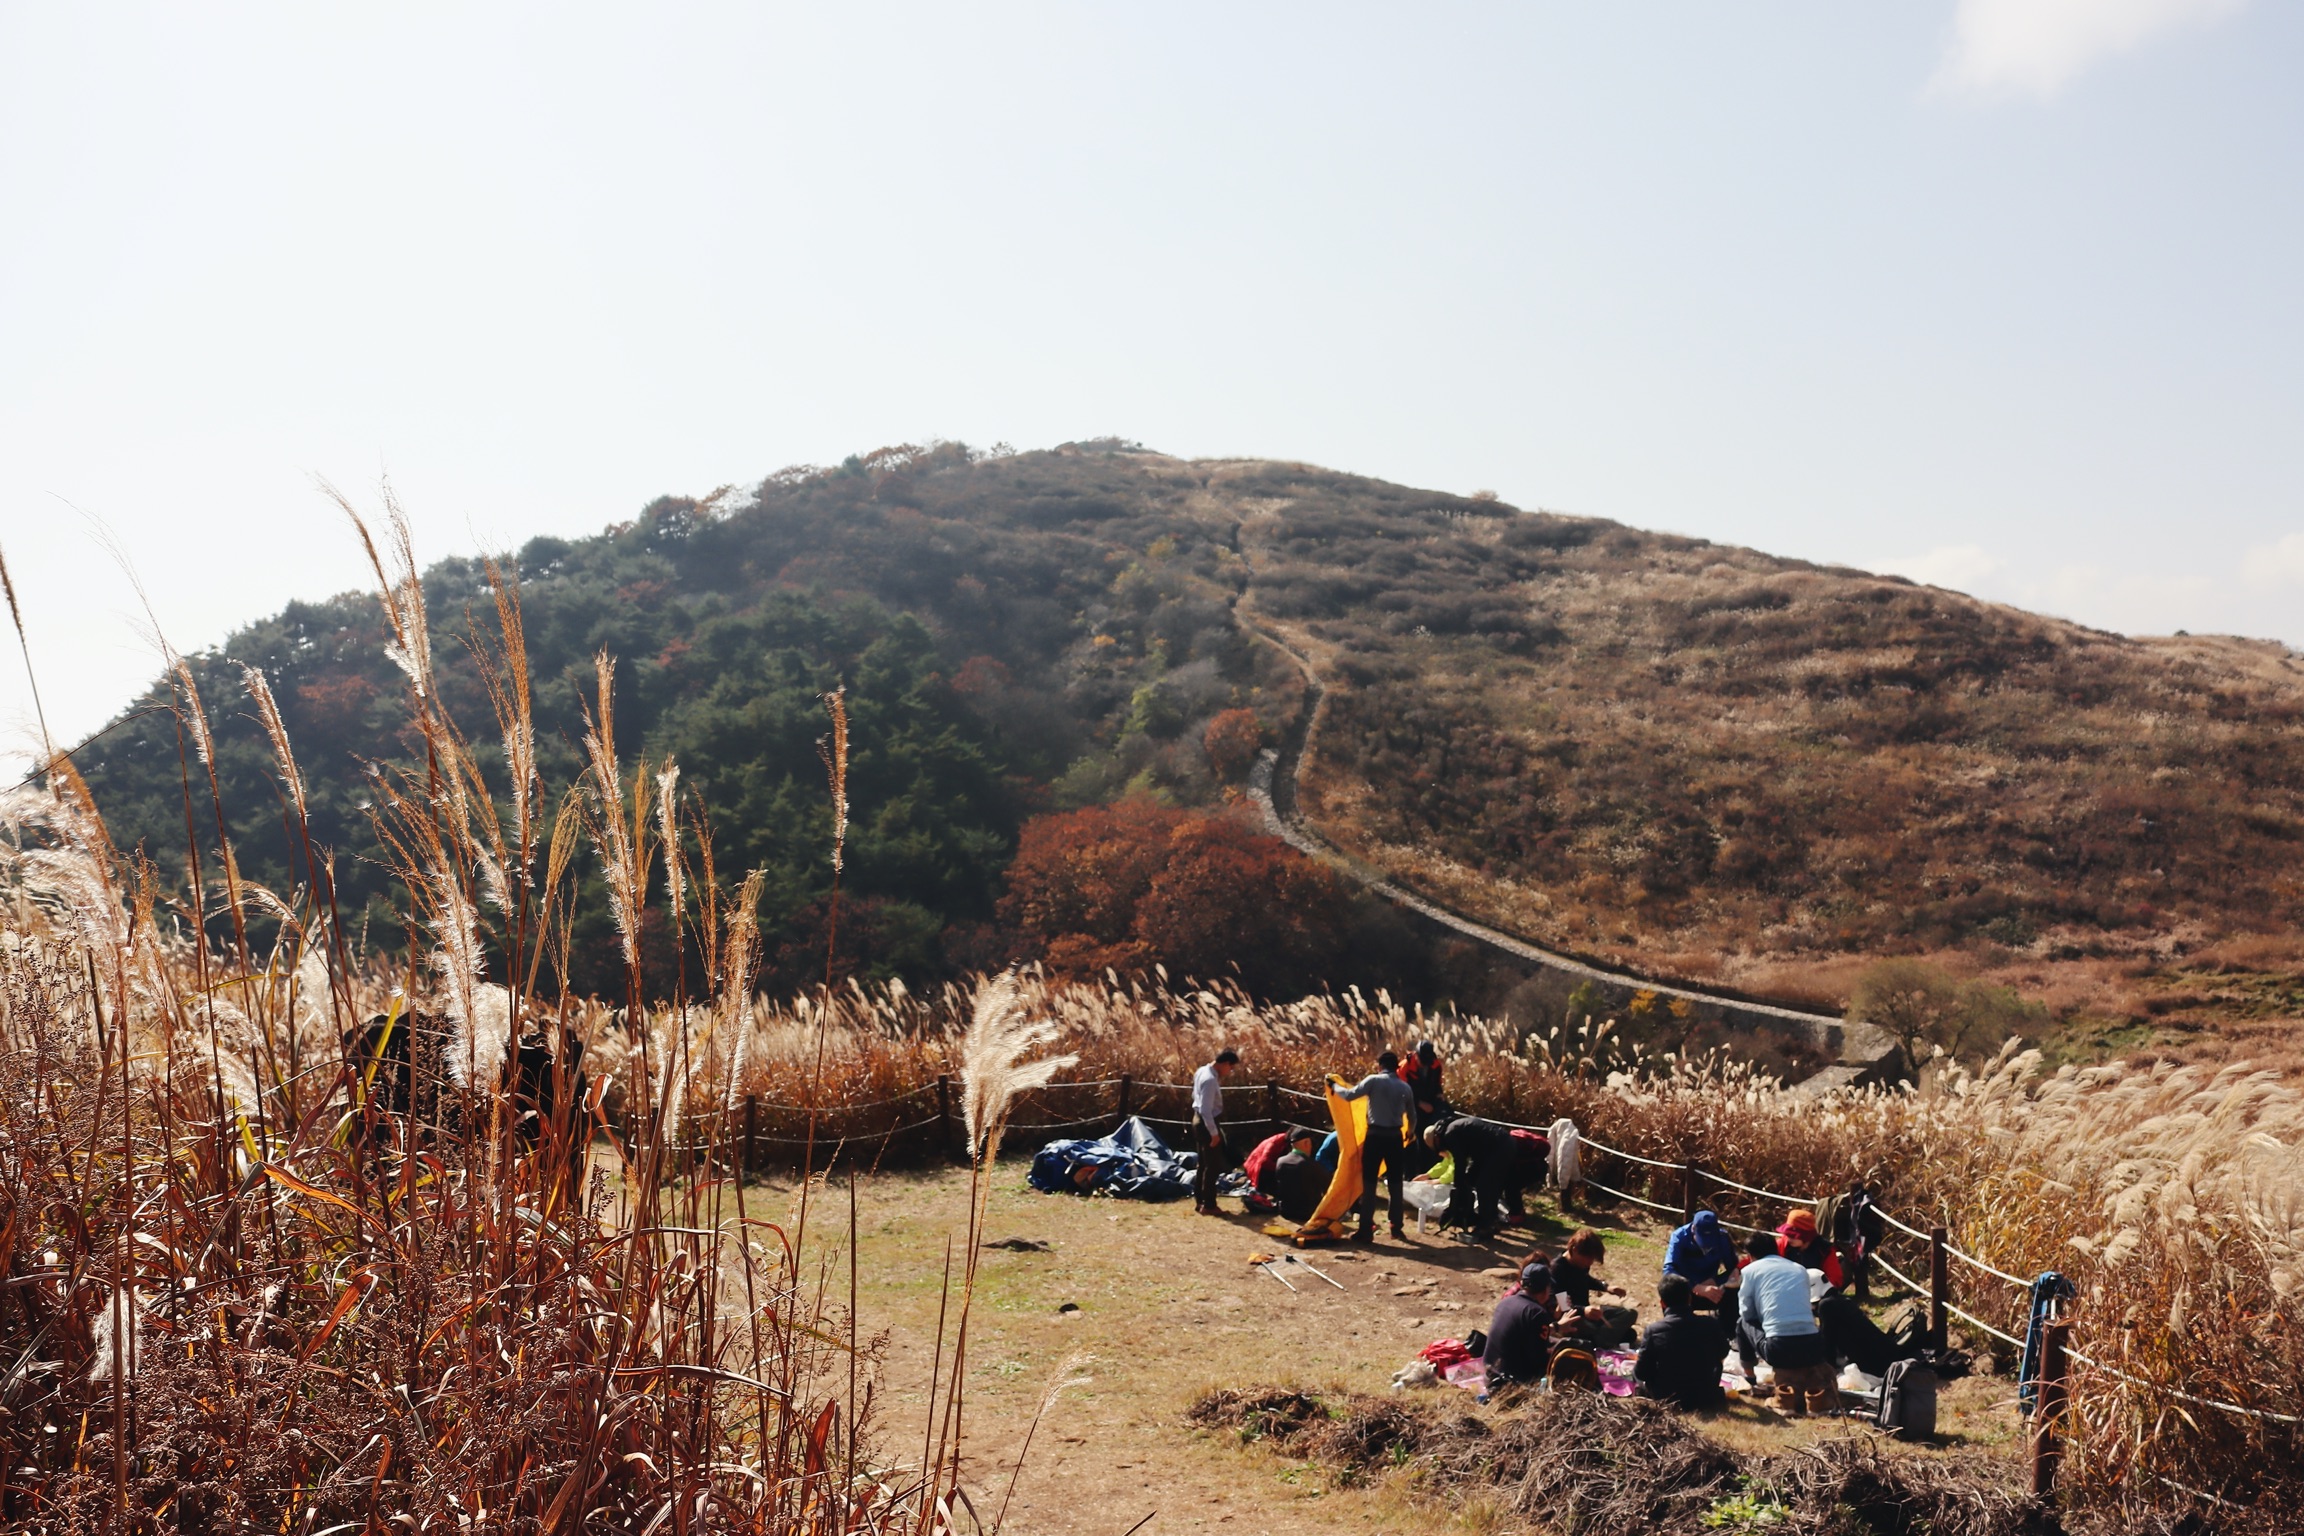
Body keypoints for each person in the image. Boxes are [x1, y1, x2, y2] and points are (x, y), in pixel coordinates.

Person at [1333, 1049, 1415, 1243]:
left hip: (1375, 1136)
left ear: (1380, 1066)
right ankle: (1396, 1227)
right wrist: (1410, 1132)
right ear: (1396, 1067)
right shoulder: (1405, 1087)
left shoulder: (1373, 1081)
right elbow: (1412, 1115)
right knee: (1395, 1183)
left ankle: (1365, 1229)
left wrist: (1334, 1086)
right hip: (1395, 1138)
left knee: (1369, 1182)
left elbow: (1349, 1095)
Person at [1734, 1229, 1832, 1384]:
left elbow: (1747, 1313)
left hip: (1778, 1349)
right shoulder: (1799, 1269)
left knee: (1742, 1322)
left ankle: (1749, 1377)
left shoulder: (1750, 1271)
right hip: (1813, 1345)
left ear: (1750, 1256)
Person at [1635, 1275, 1729, 1410]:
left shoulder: (1653, 1331)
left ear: (1662, 1303)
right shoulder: (1710, 1324)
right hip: (1706, 1395)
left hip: (1667, 1397)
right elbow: (1723, 1351)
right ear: (1690, 1298)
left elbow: (1641, 1372)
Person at [1425, 1113, 1517, 1232]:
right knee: (1472, 1181)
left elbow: (1460, 1161)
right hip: (1498, 1146)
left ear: (1437, 1139)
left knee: (1484, 1185)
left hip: (1499, 1147)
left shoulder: (1450, 1134)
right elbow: (1471, 1156)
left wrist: (1458, 1184)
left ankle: (1485, 1226)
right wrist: (1464, 1181)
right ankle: (1487, 1220)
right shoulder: (1454, 1128)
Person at [1552, 1228, 1638, 1349]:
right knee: (1627, 1334)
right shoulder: (1557, 1270)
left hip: (1588, 1313)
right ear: (1575, 1250)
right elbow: (1562, 1305)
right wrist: (1583, 1310)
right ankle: (1599, 1340)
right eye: (1589, 1258)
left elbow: (1586, 1279)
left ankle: (1601, 1337)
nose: (1590, 1263)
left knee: (1629, 1314)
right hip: (1573, 1318)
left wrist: (1606, 1287)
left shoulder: (1581, 1264)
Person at [1480, 1261, 1559, 1388]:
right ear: (1546, 1289)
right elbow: (1538, 1360)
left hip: (1489, 1375)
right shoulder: (1536, 1312)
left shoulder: (1506, 1302)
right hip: (1511, 1383)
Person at [1191, 1048, 1239, 1215]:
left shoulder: (1201, 1071)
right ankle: (1209, 1204)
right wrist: (1214, 1133)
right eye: (1230, 1067)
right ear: (1224, 1063)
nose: (1230, 1071)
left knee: (1203, 1164)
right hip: (1207, 1123)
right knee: (1212, 1165)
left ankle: (1200, 1200)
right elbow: (1206, 1110)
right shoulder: (1210, 1080)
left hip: (1198, 1119)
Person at [1662, 1209, 1740, 1312]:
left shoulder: (1723, 1238)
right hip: (1685, 1288)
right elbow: (1668, 1270)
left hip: (1713, 1287)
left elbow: (1733, 1267)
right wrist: (1695, 1287)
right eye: (1703, 1239)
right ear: (1693, 1228)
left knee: (1735, 1292)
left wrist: (1716, 1281)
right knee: (1669, 1290)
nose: (1707, 1245)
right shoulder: (1679, 1237)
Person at [1776, 1208, 1844, 1288]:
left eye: (1793, 1235)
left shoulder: (1825, 1250)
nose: (1788, 1238)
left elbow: (1835, 1280)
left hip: (1816, 1290)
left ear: (1806, 1236)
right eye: (1787, 1234)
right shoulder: (1781, 1244)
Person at [1270, 1131, 1328, 1223]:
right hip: (1308, 1214)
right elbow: (1328, 1187)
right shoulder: (1311, 1165)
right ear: (1306, 1143)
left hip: (1286, 1211)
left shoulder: (1280, 1161)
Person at [1400, 1039, 1448, 1134]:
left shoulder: (1436, 1065)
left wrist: (1439, 1094)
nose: (1425, 1064)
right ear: (1416, 1055)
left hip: (1430, 1104)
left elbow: (1438, 1083)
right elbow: (1401, 1093)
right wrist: (1420, 1103)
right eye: (1423, 1061)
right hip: (1411, 1106)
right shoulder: (1405, 1067)